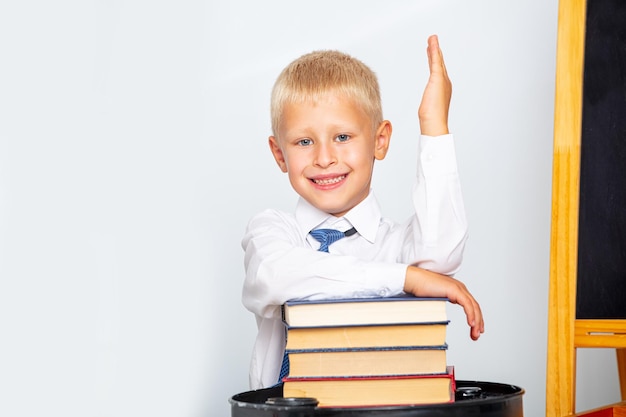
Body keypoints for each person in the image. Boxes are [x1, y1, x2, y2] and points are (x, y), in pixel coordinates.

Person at [241, 35, 484, 390]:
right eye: (304, 142)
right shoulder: (273, 232)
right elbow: (276, 277)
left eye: (342, 137)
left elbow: (441, 254)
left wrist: (434, 127)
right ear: (280, 155)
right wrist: (404, 280)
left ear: (380, 141)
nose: (324, 158)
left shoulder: (397, 246)